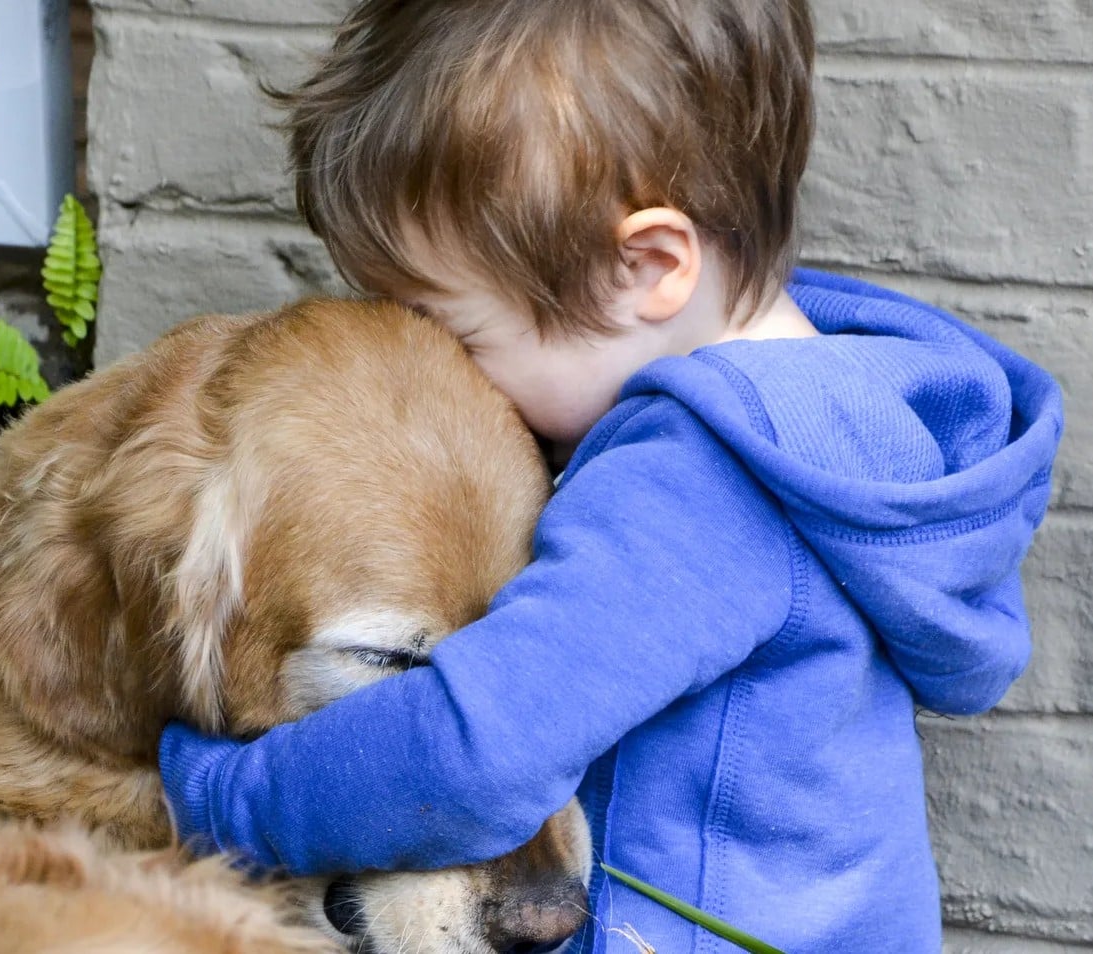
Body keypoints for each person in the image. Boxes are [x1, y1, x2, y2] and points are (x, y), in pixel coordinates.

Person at [155, 1, 1065, 951]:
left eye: (457, 333)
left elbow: (478, 753)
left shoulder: (697, 490)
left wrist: (217, 797)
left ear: (648, 266)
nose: (444, 377)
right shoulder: (829, 422)